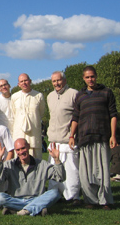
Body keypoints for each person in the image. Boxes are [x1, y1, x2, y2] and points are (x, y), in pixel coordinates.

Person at [69, 65, 117, 210]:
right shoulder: (80, 95)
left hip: (102, 136)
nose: (91, 79)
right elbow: (75, 117)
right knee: (86, 172)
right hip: (84, 137)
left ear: (96, 76)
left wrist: (113, 135)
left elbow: (113, 115)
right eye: (87, 77)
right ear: (83, 78)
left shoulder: (106, 92)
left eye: (92, 76)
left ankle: (105, 201)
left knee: (102, 171)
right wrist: (72, 135)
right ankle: (90, 200)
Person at [0, 138, 65, 216]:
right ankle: (36, 208)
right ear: (15, 151)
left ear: (28, 146)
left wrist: (57, 160)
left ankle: (21, 210)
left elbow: (60, 177)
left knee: (55, 193)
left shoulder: (42, 164)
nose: (21, 152)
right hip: (16, 199)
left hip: (36, 198)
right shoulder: (9, 165)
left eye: (23, 148)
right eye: (18, 150)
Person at [46, 71, 80, 203]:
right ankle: (56, 195)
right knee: (55, 171)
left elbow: (78, 117)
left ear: (64, 80)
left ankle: (73, 196)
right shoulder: (50, 96)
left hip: (68, 140)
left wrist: (73, 134)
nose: (56, 83)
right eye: (54, 81)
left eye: (59, 80)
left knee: (71, 171)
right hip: (54, 140)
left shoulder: (74, 94)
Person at [10, 73, 46, 159]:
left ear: (30, 81)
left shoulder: (38, 96)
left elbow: (41, 112)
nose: (24, 83)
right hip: (19, 133)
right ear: (18, 84)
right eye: (21, 81)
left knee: (36, 161)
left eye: (25, 80)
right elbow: (14, 113)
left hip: (34, 134)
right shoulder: (15, 97)